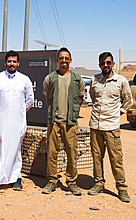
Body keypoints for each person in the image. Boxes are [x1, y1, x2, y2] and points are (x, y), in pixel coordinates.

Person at [0, 50, 34, 190]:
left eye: (14, 61)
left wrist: (19, 113)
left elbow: (30, 100)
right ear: (5, 62)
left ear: (18, 63)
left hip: (18, 121)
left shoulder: (25, 79)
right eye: (9, 61)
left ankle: (16, 178)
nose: (12, 64)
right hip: (0, 121)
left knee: (16, 148)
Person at [88, 52, 133, 202]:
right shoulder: (94, 80)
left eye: (108, 63)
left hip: (112, 127)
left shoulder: (120, 81)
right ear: (99, 64)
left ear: (113, 64)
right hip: (95, 125)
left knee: (116, 159)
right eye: (102, 63)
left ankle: (122, 188)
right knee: (96, 157)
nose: (105, 65)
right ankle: (99, 183)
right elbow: (93, 97)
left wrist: (118, 113)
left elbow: (128, 101)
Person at [41, 47, 85, 195]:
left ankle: (71, 182)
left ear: (70, 60)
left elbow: (79, 100)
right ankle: (52, 181)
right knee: (52, 153)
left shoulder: (78, 79)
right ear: (57, 60)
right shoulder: (50, 78)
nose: (64, 61)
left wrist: (70, 113)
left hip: (70, 123)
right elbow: (48, 99)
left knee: (72, 153)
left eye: (66, 58)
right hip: (54, 122)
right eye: (61, 58)